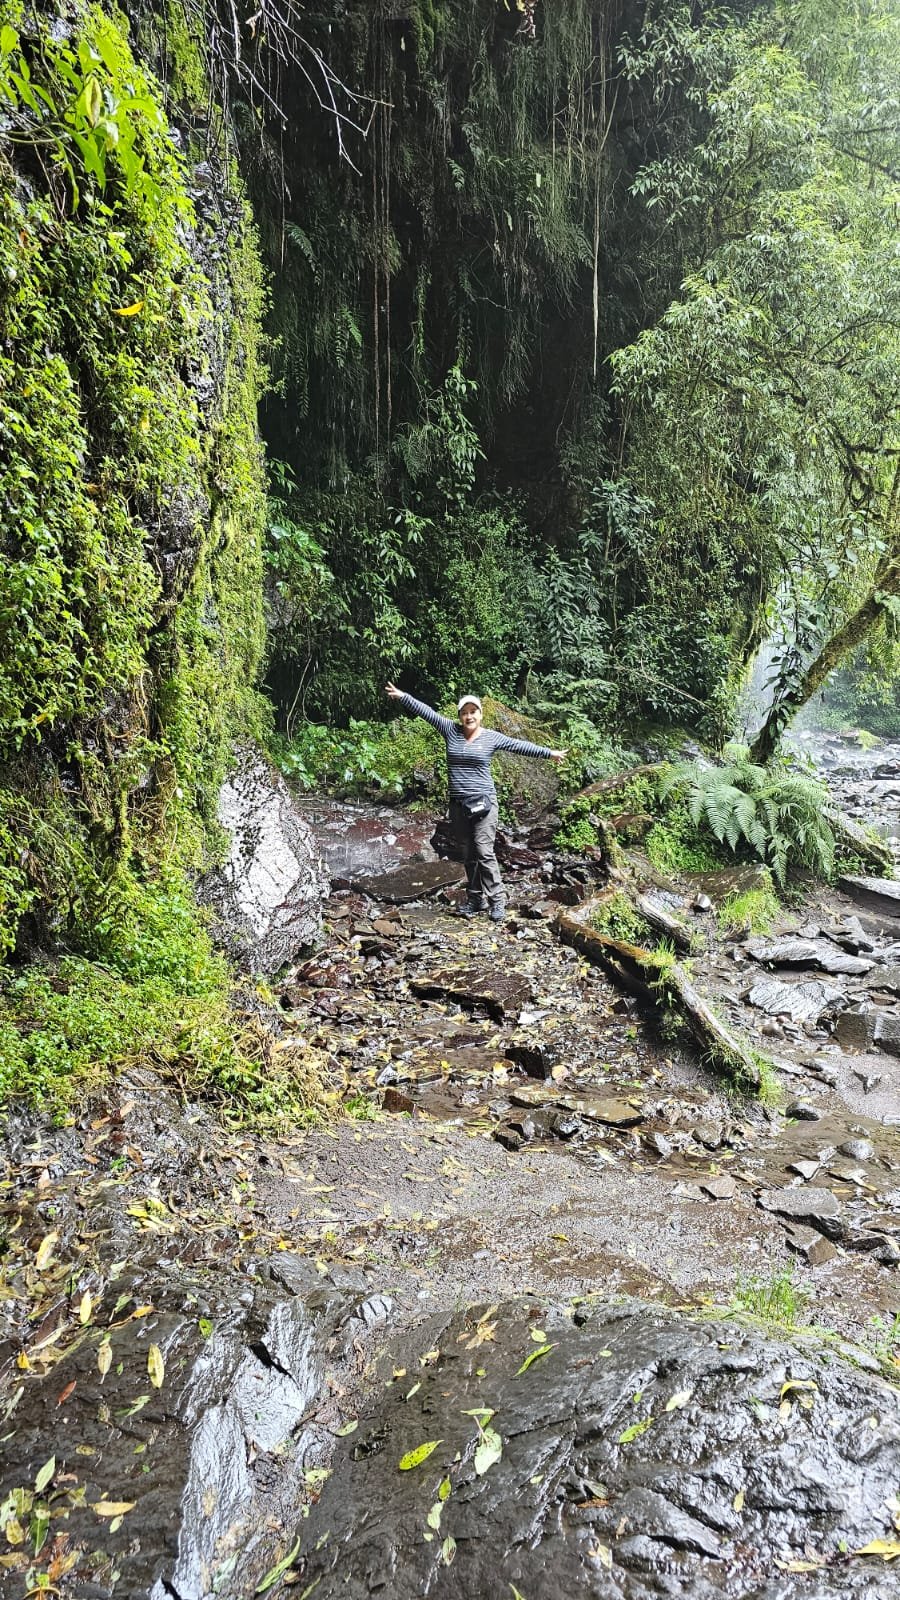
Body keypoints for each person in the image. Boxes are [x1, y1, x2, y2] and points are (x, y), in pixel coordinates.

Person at [385, 683, 566, 922]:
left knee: (484, 851)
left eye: (473, 712)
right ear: (460, 716)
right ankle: (475, 899)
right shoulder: (450, 730)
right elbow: (427, 712)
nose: (469, 716)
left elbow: (519, 745)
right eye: (464, 712)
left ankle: (497, 901)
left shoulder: (491, 737)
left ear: (480, 714)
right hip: (459, 805)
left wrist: (548, 753)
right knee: (468, 853)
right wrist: (403, 696)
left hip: (484, 804)